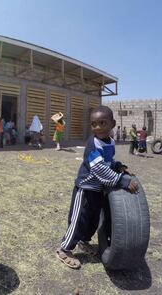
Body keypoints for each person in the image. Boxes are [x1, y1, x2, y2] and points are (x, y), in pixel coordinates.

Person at [56, 105, 138, 269]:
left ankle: (83, 241)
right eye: (94, 124)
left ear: (112, 124)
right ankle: (64, 249)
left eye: (103, 123)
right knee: (79, 220)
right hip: (85, 189)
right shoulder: (93, 144)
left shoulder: (110, 141)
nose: (98, 127)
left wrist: (118, 166)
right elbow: (99, 169)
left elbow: (108, 161)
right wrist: (122, 181)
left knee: (93, 221)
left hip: (98, 189)